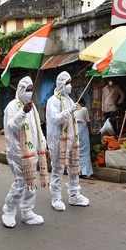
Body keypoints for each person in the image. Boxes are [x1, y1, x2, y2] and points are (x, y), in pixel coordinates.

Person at [1, 76, 47, 228]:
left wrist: (42, 143)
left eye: (31, 90)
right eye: (27, 90)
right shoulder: (12, 106)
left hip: (31, 152)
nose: (29, 93)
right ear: (20, 90)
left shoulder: (32, 106)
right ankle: (8, 210)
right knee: (20, 183)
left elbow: (36, 127)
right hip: (17, 153)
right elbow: (11, 127)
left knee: (31, 183)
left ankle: (27, 211)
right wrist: (22, 112)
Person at [46, 71, 90, 211]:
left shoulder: (69, 100)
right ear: (61, 84)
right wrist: (70, 110)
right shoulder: (53, 101)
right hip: (58, 141)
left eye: (70, 82)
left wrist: (72, 109)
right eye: (67, 83)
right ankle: (56, 198)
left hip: (72, 140)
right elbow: (55, 119)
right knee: (58, 169)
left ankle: (74, 195)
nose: (70, 86)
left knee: (74, 169)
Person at [75, 99, 93, 179]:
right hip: (83, 129)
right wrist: (91, 132)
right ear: (82, 103)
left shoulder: (74, 110)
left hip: (76, 130)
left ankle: (79, 171)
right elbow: (88, 121)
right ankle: (86, 172)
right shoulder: (84, 109)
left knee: (79, 151)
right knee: (85, 151)